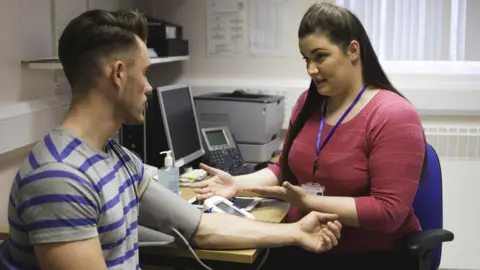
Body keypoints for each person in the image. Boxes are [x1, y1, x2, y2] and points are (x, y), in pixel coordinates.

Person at [0, 9, 343, 270]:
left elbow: (199, 226)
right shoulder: (60, 178)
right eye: (145, 73)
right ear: (119, 74)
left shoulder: (116, 158)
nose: (149, 87)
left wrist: (296, 232)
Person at [192, 2, 426, 270]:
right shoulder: (308, 103)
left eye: (320, 56)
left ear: (353, 50)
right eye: (306, 59)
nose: (311, 69)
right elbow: (285, 169)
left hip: (368, 255)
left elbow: (389, 212)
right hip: (304, 240)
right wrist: (236, 184)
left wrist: (310, 201)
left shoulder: (393, 114)